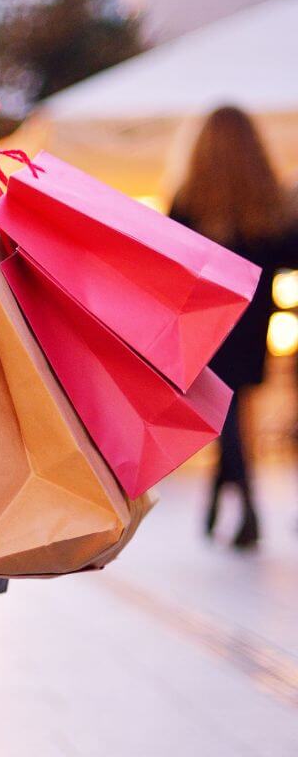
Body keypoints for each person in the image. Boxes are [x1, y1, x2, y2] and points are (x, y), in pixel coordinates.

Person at [170, 106, 298, 551]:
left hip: (208, 322)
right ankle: (226, 499)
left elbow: (173, 261)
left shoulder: (187, 199)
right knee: (232, 412)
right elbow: (290, 255)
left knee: (224, 415)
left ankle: (245, 505)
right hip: (254, 321)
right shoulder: (269, 201)